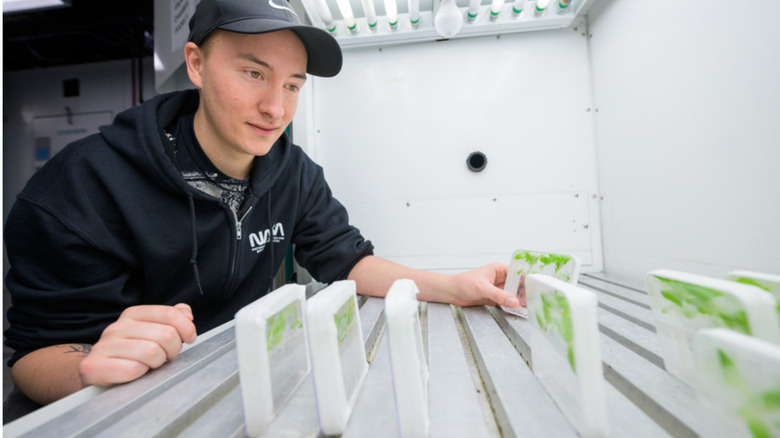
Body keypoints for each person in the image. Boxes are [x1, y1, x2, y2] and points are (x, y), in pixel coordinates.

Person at [3, 0, 519, 407]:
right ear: (197, 64)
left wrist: (453, 286)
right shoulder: (80, 187)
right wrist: (89, 367)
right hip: (116, 406)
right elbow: (33, 353)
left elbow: (347, 260)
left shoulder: (292, 172)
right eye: (254, 73)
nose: (276, 109)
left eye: (292, 84)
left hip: (237, 387)